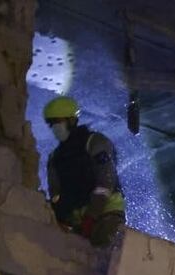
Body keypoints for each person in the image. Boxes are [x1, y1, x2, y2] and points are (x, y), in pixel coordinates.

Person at [43, 96, 125, 248]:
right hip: (77, 223)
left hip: (106, 214)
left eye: (58, 122)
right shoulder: (55, 158)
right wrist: (60, 217)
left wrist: (91, 216)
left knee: (106, 252)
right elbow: (55, 194)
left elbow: (105, 181)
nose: (55, 127)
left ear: (71, 121)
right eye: (51, 124)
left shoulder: (95, 143)